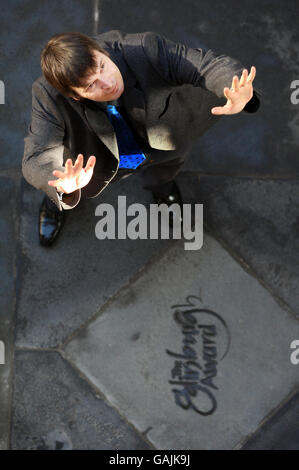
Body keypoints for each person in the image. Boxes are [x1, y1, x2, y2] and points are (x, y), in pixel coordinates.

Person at [22, 30, 260, 246]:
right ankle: (57, 204)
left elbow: (205, 65)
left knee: (166, 169)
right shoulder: (48, 96)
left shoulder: (144, 50)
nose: (108, 83)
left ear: (101, 51)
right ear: (74, 96)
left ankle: (162, 189)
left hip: (159, 145)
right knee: (61, 184)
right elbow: (37, 155)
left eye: (102, 66)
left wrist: (233, 84)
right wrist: (62, 186)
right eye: (91, 85)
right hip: (95, 164)